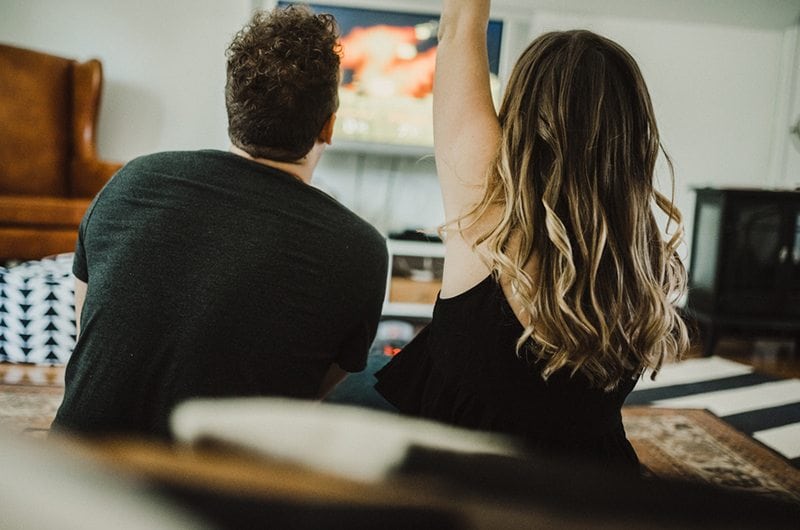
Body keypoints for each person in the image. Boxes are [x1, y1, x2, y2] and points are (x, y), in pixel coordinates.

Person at [375, 0, 689, 472]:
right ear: (631, 136)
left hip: (462, 486)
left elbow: (460, 29)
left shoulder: (486, 210)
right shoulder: (643, 256)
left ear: (519, 115)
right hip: (589, 493)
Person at [52, 5, 388, 439]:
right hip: (206, 497)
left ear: (233, 108)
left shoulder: (132, 181)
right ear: (328, 126)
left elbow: (93, 328)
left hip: (69, 472)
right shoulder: (362, 250)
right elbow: (308, 395)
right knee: (376, 373)